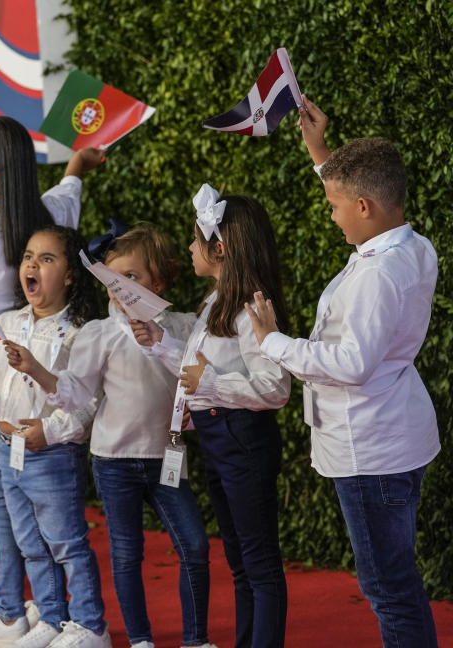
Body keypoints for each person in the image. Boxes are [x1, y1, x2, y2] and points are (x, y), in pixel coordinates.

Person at [246, 97, 440, 647]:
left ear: (363, 207)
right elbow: (355, 191)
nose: (329, 215)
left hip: (370, 448)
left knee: (387, 585)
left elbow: (350, 365)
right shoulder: (412, 244)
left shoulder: (379, 274)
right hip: (389, 435)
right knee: (395, 578)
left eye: (334, 206)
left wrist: (272, 341)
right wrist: (320, 153)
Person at [0, 116, 101, 648]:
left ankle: (14, 612)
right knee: (19, 510)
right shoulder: (46, 213)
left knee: (9, 505)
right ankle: (42, 613)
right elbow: (67, 196)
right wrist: (76, 166)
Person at [11, 224, 216, 648]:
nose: (119, 290)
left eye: (131, 278)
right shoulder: (98, 335)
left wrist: (162, 346)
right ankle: (140, 640)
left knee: (194, 546)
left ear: (158, 282)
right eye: (110, 280)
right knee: (126, 555)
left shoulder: (184, 327)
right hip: (113, 461)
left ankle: (196, 640)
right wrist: (36, 369)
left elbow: (199, 384)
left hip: (165, 458)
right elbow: (74, 394)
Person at [133, 187, 290, 648]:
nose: (188, 247)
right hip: (220, 439)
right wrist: (160, 342)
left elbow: (275, 388)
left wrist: (212, 384)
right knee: (241, 562)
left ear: (219, 248)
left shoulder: (251, 309)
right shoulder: (215, 301)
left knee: (259, 563)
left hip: (243, 438)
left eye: (194, 239)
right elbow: (195, 370)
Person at [0, 226, 110, 648]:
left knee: (65, 542)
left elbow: (86, 403)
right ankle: (52, 618)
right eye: (27, 256)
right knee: (30, 543)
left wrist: (51, 430)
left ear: (71, 275)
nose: (31, 265)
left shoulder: (82, 332)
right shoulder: (7, 322)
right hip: (10, 450)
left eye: (46, 259)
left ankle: (91, 625)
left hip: (53, 453)